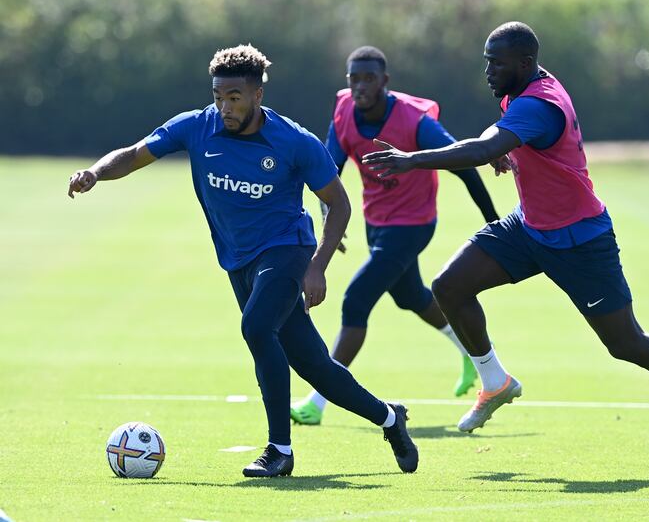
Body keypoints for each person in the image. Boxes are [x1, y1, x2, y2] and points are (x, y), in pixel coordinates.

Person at [363, 22, 649, 468]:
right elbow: (506, 134)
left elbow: (483, 145)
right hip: (531, 228)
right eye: (487, 60)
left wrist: (411, 159)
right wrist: (504, 151)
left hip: (579, 240)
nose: (488, 70)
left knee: (626, 342)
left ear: (525, 64)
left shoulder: (540, 102)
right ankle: (495, 381)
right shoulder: (524, 86)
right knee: (450, 285)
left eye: (497, 63)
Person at [67, 44, 418, 477]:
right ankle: (389, 417)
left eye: (234, 97)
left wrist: (317, 265)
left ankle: (280, 450)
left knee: (256, 327)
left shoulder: (295, 142)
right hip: (238, 261)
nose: (224, 107)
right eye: (218, 96)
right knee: (312, 364)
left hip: (287, 250)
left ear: (257, 95)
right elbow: (135, 153)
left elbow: (339, 205)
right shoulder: (196, 127)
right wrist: (95, 174)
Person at [291, 46, 500, 425]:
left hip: (414, 224)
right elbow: (328, 171)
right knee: (409, 296)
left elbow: (464, 164)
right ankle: (472, 354)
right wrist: (328, 223)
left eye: (369, 78)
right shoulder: (344, 112)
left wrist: (493, 221)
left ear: (385, 82)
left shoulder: (414, 121)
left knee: (356, 301)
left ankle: (317, 402)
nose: (360, 86)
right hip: (377, 223)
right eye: (354, 78)